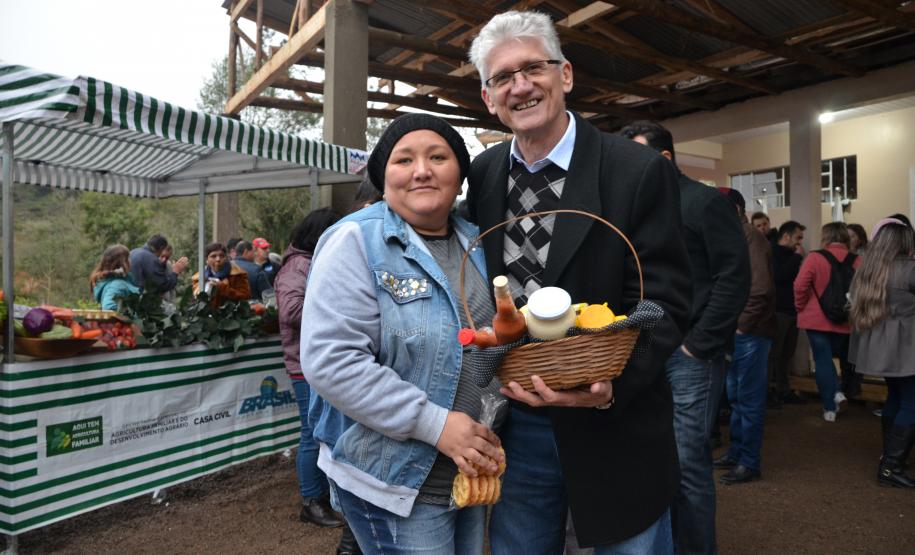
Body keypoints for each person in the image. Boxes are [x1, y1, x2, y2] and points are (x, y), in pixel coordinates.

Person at [466, 11, 692, 552]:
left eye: (532, 68)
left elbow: (668, 299)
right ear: (488, 97)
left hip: (615, 420)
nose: (520, 86)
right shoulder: (485, 174)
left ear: (564, 75)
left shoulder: (634, 170)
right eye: (502, 77)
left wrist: (614, 383)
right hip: (518, 422)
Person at [300, 113, 506, 553]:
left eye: (438, 156)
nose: (422, 170)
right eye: (404, 159)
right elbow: (332, 362)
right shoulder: (356, 240)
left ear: (460, 173)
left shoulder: (478, 242)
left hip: (467, 467)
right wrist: (435, 425)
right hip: (392, 477)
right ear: (383, 175)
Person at [620, 120, 749, 554]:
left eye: (635, 157)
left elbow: (735, 276)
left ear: (665, 158)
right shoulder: (637, 206)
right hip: (642, 351)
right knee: (649, 460)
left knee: (688, 463)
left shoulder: (704, 202)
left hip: (688, 353)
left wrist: (700, 344)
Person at [274, 209, 347, 533]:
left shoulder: (313, 262)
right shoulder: (297, 267)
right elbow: (291, 311)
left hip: (323, 362)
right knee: (311, 433)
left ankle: (328, 495)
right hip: (305, 366)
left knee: (326, 430)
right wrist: (335, 303)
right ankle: (310, 501)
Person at [712, 188, 776, 485]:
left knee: (747, 399)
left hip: (749, 332)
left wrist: (742, 325)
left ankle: (749, 460)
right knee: (736, 396)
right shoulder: (732, 234)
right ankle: (737, 453)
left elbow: (759, 288)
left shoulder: (750, 235)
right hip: (738, 330)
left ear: (735, 209)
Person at [849, 219, 915, 488]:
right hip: (908, 345)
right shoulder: (909, 270)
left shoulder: (867, 270)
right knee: (911, 403)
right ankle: (891, 466)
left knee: (897, 399)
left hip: (881, 345)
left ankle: (891, 458)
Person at [793, 222, 861, 422]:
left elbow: (800, 286)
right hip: (844, 319)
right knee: (831, 359)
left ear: (826, 237)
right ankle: (837, 391)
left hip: (815, 319)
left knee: (822, 360)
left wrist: (800, 307)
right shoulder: (858, 261)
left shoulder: (815, 257)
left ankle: (830, 407)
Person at [769, 221, 808, 405]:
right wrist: (797, 259)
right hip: (779, 311)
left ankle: (783, 390)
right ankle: (769, 392)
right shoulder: (773, 252)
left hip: (793, 310)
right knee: (774, 354)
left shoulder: (793, 255)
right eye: (797, 238)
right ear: (786, 236)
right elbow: (779, 276)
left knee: (787, 354)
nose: (800, 243)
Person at [90, 245, 141, 310]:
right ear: (123, 263)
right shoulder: (118, 285)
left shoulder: (112, 282)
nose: (130, 261)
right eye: (128, 258)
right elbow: (109, 307)